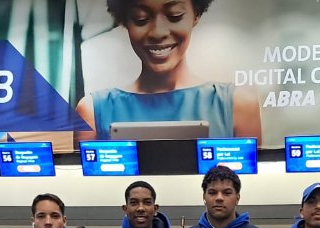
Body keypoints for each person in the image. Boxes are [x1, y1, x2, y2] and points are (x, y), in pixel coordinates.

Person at [76, 0, 261, 143]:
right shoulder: (92, 111)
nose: (158, 32)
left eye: (175, 16)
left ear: (195, 14)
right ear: (124, 21)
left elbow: (244, 186)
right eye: (141, 18)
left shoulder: (237, 105)